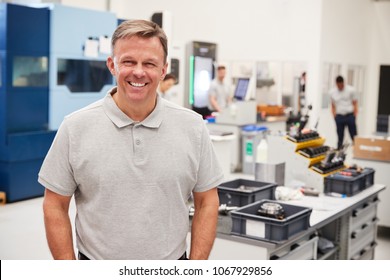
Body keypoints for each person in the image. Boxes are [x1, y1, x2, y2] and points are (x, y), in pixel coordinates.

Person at [39, 19, 223, 260]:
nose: (138, 72)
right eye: (128, 61)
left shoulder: (193, 127)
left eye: (149, 63)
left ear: (163, 70)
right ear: (112, 65)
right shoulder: (75, 127)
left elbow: (208, 201)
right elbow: (54, 204)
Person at [330, 75, 358, 149]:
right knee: (340, 136)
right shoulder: (332, 92)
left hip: (350, 115)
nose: (340, 86)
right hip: (339, 116)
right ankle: (339, 151)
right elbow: (333, 105)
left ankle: (357, 150)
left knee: (353, 135)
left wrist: (355, 115)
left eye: (341, 85)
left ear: (343, 83)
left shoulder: (351, 90)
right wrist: (334, 116)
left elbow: (355, 103)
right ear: (336, 84)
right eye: (338, 85)